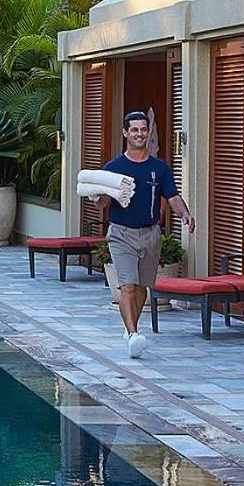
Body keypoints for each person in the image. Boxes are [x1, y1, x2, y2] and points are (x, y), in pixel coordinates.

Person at [99, 111, 195, 359]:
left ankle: (130, 327)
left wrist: (185, 214)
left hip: (151, 234)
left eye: (143, 129)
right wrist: (98, 196)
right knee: (128, 286)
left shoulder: (159, 168)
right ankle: (133, 334)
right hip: (121, 233)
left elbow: (172, 196)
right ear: (125, 133)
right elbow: (101, 202)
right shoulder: (114, 168)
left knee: (142, 287)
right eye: (134, 130)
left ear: (148, 132)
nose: (139, 134)